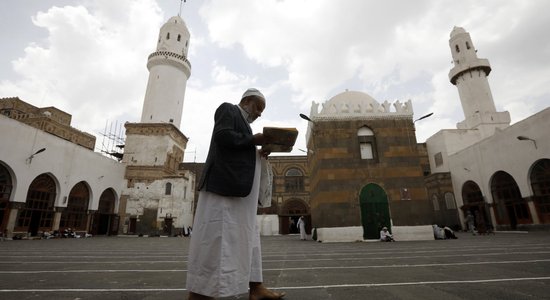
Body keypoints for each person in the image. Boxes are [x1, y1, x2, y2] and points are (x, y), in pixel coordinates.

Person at [186, 88, 285, 300]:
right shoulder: (228, 110)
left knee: (247, 236)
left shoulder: (247, 129)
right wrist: (253, 141)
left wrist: (258, 151)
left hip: (240, 192)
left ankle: (256, 287)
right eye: (258, 108)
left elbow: (238, 148)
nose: (259, 114)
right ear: (247, 100)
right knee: (216, 238)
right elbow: (223, 137)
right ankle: (199, 293)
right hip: (223, 187)